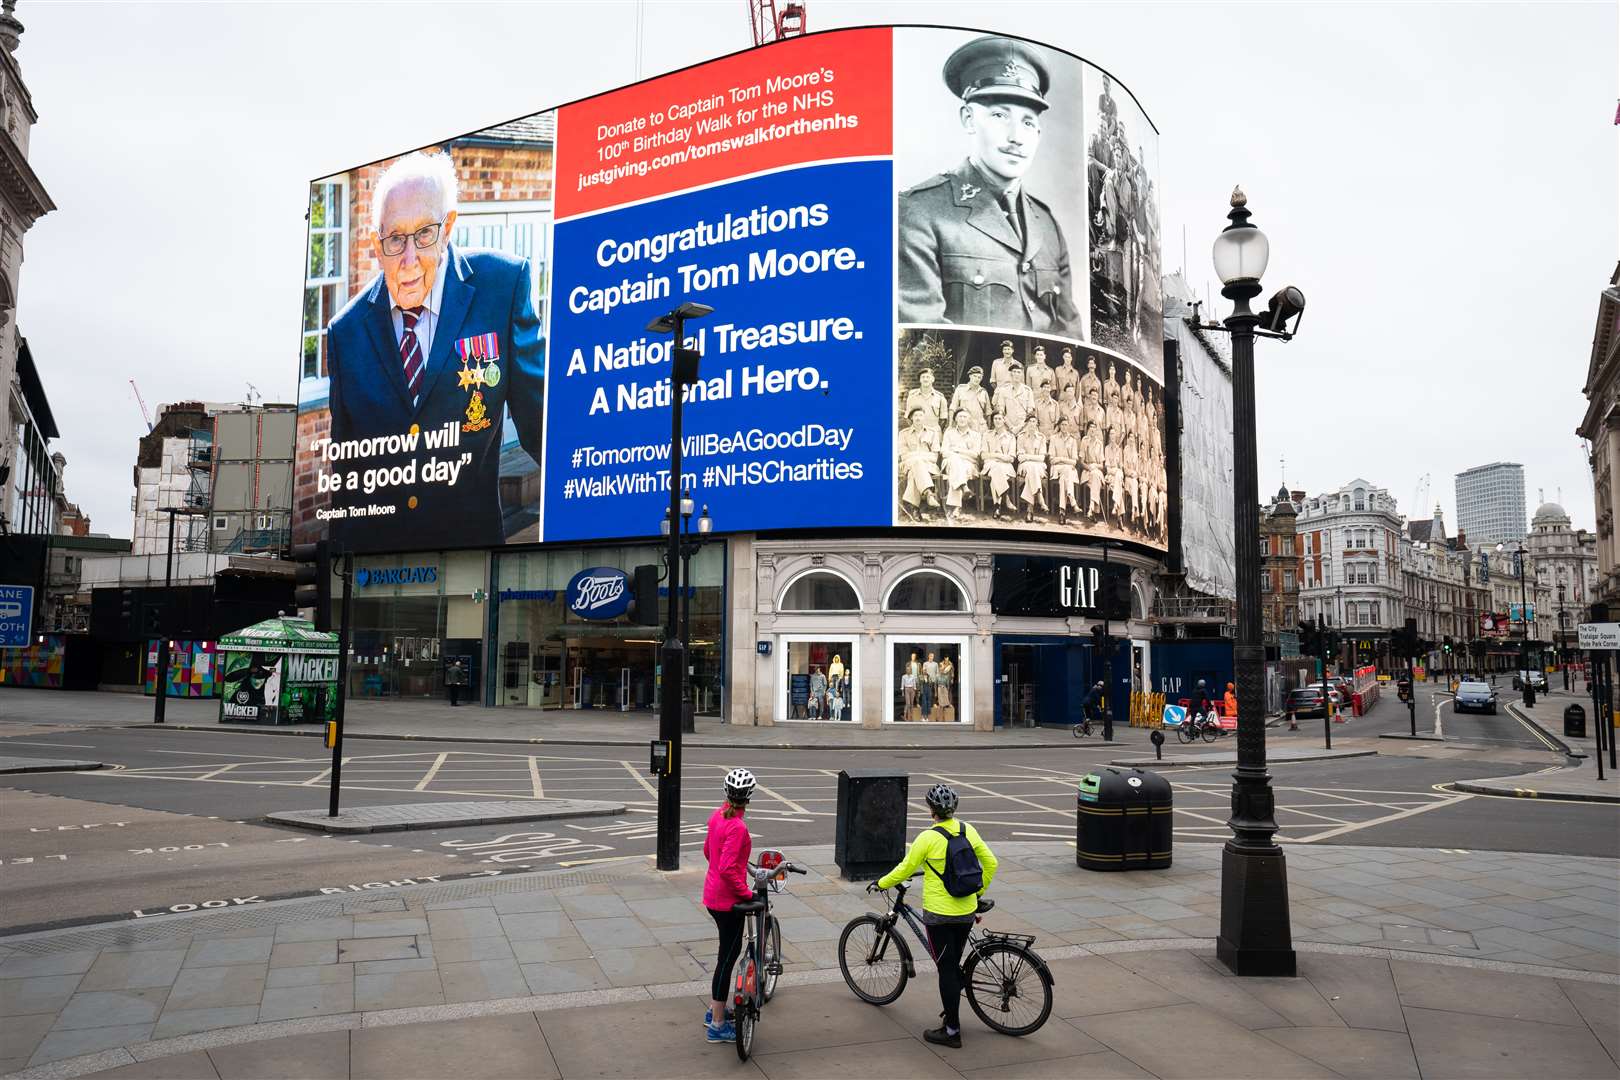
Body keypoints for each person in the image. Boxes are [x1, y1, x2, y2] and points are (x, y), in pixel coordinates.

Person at [324, 151, 545, 551]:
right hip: (379, 570)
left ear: (448, 228)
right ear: (376, 244)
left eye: (424, 234)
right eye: (395, 240)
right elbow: (346, 479)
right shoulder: (346, 332)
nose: (409, 260)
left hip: (470, 562)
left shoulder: (502, 286)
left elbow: (543, 426)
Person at [898, 36, 1079, 334]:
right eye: (999, 115)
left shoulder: (1047, 226)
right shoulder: (919, 212)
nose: (1016, 137)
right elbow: (923, 344)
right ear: (969, 119)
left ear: (1038, 133)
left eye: (1028, 123)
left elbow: (1072, 338)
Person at [869, 784, 998, 1049]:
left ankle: (951, 1031)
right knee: (952, 964)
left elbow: (905, 869)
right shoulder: (967, 830)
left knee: (946, 970)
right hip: (965, 912)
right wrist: (976, 895)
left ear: (931, 810)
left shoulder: (927, 838)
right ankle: (952, 1003)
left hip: (940, 916)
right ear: (954, 809)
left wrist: (881, 883)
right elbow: (992, 863)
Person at [702, 768, 756, 1043]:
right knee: (726, 961)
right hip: (727, 901)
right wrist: (746, 893)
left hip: (712, 896)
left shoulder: (717, 815)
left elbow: (708, 852)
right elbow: (726, 868)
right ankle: (718, 1025)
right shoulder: (737, 826)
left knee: (724, 956)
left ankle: (714, 1011)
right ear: (749, 796)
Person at [940, 410, 984, 523]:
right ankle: (963, 488)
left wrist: (957, 450)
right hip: (950, 463)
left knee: (957, 466)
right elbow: (944, 452)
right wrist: (963, 454)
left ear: (969, 419)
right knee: (955, 462)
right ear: (955, 419)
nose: (962, 419)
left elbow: (975, 455)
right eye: (960, 416)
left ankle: (956, 506)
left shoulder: (976, 435)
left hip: (969, 465)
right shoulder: (949, 433)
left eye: (965, 417)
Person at [921, 651, 940, 720]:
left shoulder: (936, 664)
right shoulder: (925, 663)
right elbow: (923, 671)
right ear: (928, 656)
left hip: (933, 680)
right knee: (926, 695)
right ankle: (925, 714)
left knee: (934, 692)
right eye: (930, 656)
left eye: (933, 656)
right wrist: (925, 677)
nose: (931, 657)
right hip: (927, 681)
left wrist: (936, 678)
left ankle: (934, 703)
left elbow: (937, 672)